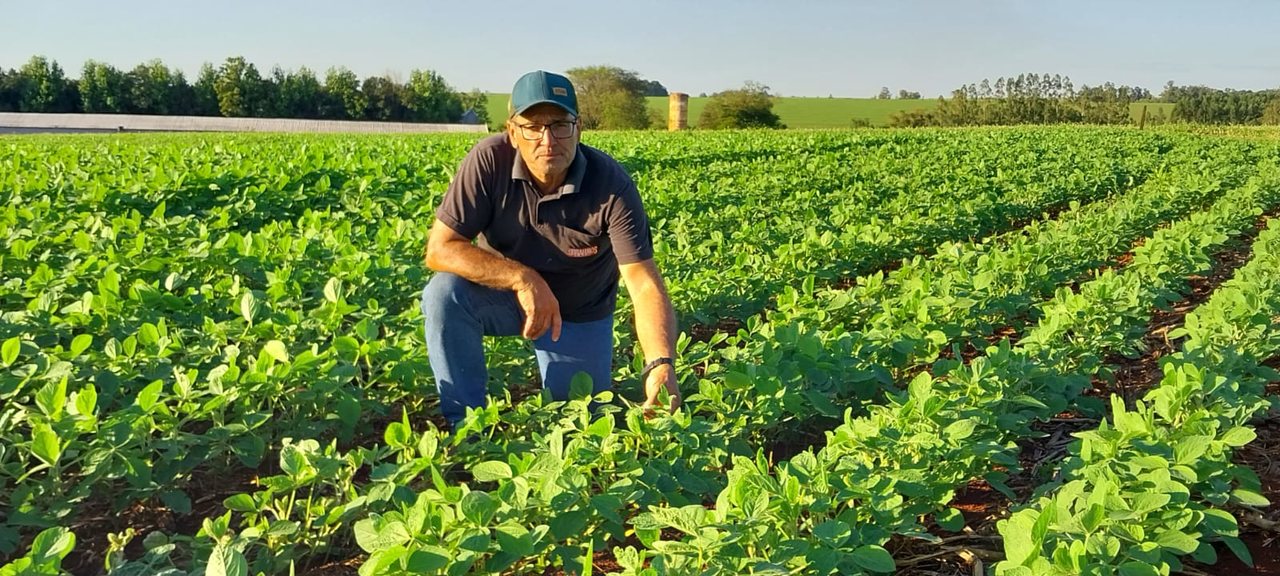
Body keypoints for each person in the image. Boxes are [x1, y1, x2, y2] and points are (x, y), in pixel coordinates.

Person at [420, 70, 682, 428]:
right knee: (443, 294)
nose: (547, 139)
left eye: (560, 124)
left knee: (577, 425)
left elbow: (643, 282)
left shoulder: (611, 186)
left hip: (578, 308)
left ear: (578, 128)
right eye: (532, 126)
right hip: (506, 296)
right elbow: (439, 249)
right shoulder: (487, 162)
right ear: (512, 132)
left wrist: (659, 362)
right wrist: (522, 278)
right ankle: (465, 427)